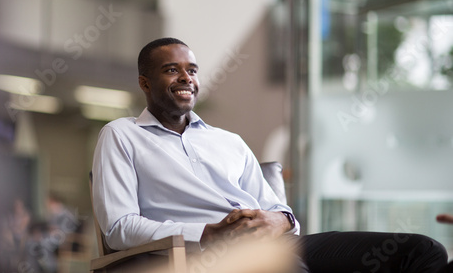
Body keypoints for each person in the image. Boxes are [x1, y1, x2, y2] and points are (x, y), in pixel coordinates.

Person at [92, 37, 448, 272]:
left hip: (280, 242)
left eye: (192, 70)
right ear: (144, 82)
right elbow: (120, 229)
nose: (186, 77)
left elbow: (277, 209)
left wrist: (281, 221)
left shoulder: (228, 141)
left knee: (422, 251)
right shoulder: (121, 136)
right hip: (206, 255)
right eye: (172, 69)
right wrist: (206, 233)